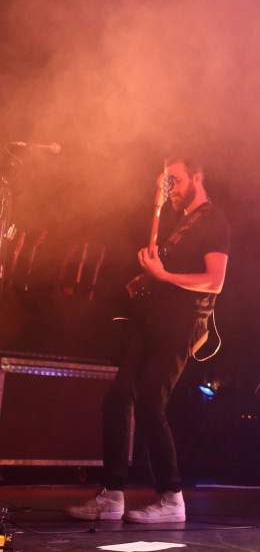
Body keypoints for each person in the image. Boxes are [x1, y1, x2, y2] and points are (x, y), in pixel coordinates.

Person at [67, 158, 229, 524]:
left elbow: (215, 280)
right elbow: (160, 266)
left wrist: (164, 274)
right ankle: (112, 495)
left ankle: (172, 498)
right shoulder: (179, 222)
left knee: (152, 402)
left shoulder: (214, 220)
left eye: (177, 180)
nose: (171, 187)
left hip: (180, 324)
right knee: (118, 397)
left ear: (198, 178)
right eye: (166, 181)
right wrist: (149, 276)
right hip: (151, 320)